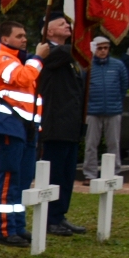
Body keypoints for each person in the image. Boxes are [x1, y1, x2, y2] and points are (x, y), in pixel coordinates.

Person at [0, 20, 50, 245]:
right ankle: (4, 229)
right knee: (10, 176)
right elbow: (23, 78)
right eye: (19, 35)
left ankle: (18, 225)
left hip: (27, 127)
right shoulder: (3, 59)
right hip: (9, 125)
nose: (24, 39)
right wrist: (38, 58)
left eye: (25, 35)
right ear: (5, 39)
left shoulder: (20, 60)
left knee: (24, 178)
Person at [36, 12, 87, 236]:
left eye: (68, 23)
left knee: (66, 176)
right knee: (55, 175)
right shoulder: (47, 51)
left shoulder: (69, 56)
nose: (68, 26)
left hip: (69, 125)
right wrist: (84, 37)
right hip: (54, 124)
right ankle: (50, 218)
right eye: (62, 23)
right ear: (48, 30)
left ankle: (60, 215)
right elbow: (63, 54)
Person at [84, 34, 129, 179]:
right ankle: (89, 174)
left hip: (113, 110)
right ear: (94, 49)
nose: (103, 51)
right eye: (99, 48)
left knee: (114, 143)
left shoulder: (118, 65)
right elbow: (83, 87)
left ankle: (114, 173)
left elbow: (124, 86)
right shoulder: (87, 65)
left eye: (105, 48)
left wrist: (117, 102)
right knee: (91, 144)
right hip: (92, 110)